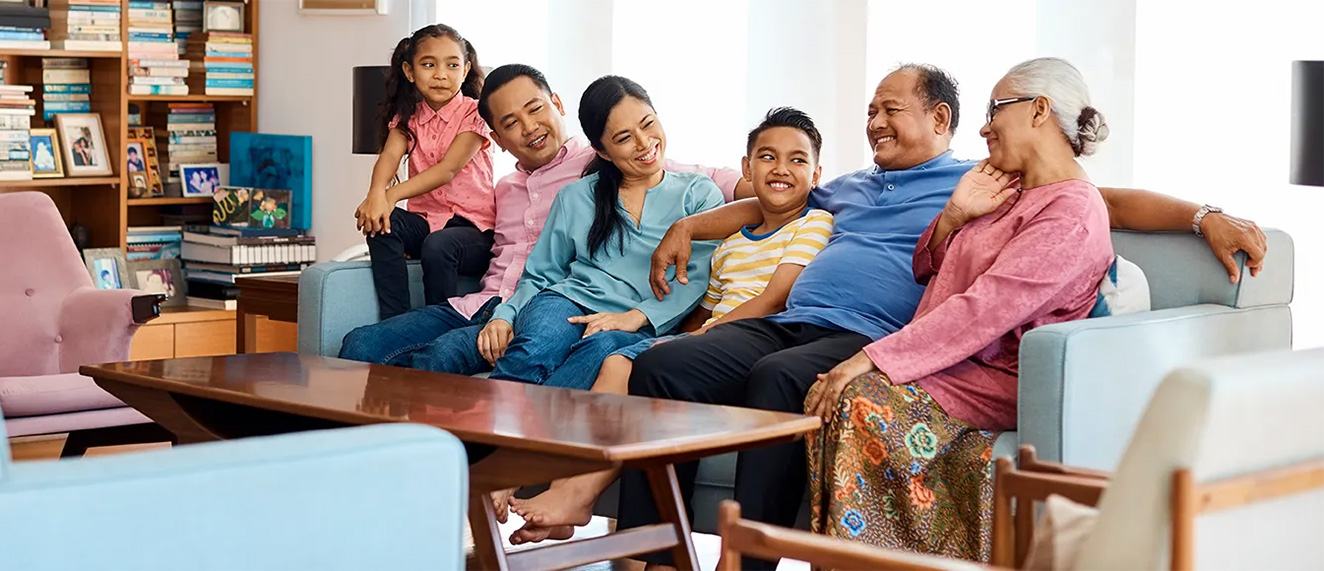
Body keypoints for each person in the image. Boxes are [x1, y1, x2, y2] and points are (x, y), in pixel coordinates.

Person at [620, 63, 1269, 570]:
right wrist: (687, 226)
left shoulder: (987, 178)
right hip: (796, 317)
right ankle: (652, 555)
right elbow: (769, 198)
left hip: (871, 336)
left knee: (778, 378)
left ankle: (749, 559)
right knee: (662, 366)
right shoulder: (851, 184)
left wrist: (1203, 215)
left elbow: (1108, 203)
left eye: (890, 109)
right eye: (870, 110)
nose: (874, 121)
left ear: (939, 118)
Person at [802, 56, 1113, 561]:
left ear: (1039, 111)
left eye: (996, 109)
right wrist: (954, 215)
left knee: (858, 398)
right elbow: (932, 267)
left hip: (993, 377)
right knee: (833, 391)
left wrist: (872, 356)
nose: (985, 126)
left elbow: (984, 309)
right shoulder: (1005, 188)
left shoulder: (1072, 212)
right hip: (948, 364)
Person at [507, 107, 835, 545]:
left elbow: (772, 298)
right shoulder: (730, 243)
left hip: (756, 342)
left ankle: (576, 492)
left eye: (797, 160)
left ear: (816, 173)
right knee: (617, 362)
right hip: (709, 342)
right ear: (747, 168)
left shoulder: (815, 223)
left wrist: (698, 337)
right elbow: (706, 308)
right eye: (768, 157)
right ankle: (574, 489)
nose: (781, 169)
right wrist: (679, 336)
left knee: (634, 365)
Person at [338, 64, 746, 372]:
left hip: (538, 305)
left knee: (442, 357)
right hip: (482, 303)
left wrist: (789, 192)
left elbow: (696, 177)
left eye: (536, 109)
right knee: (360, 344)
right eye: (511, 123)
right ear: (495, 139)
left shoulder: (604, 161)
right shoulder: (503, 187)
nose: (530, 127)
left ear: (558, 105)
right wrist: (384, 193)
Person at [353, 24, 497, 320]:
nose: (441, 74)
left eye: (452, 65)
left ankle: (435, 325)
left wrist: (390, 194)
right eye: (429, 65)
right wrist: (376, 196)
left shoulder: (476, 112)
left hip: (474, 232)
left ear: (466, 69)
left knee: (438, 245)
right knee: (382, 222)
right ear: (409, 71)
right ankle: (395, 320)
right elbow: (390, 155)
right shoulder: (408, 118)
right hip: (429, 223)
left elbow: (448, 169)